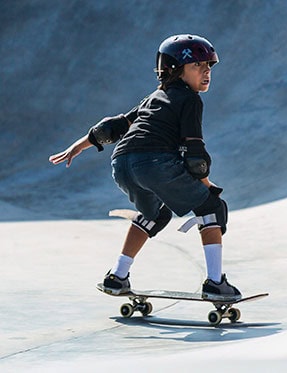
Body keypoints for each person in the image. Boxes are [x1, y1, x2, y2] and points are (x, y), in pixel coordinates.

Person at [49, 34, 241, 301]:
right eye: (198, 66)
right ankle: (215, 283)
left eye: (209, 65)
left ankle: (117, 276)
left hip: (122, 163)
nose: (207, 71)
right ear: (175, 69)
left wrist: (80, 145)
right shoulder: (191, 100)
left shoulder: (153, 98)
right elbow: (194, 154)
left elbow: (113, 126)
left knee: (155, 213)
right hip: (156, 162)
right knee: (212, 207)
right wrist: (208, 187)